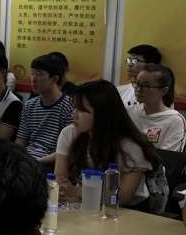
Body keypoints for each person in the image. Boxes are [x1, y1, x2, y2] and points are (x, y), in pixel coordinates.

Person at [55, 80, 159, 210]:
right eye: (75, 108)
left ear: (102, 113)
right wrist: (64, 190)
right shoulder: (70, 133)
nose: (74, 115)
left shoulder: (131, 146)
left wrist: (78, 191)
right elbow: (59, 180)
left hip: (128, 209)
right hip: (85, 203)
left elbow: (123, 198)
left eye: (81, 110)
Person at [15, 54, 73, 164]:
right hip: (27, 159)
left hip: (51, 162)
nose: (33, 79)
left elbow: (67, 150)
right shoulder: (30, 105)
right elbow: (20, 141)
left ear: (54, 79)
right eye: (32, 73)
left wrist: (36, 162)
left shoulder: (69, 106)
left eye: (39, 74)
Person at [126, 64, 186, 152]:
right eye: (137, 83)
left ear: (164, 90)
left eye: (146, 86)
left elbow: (169, 156)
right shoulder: (128, 112)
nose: (138, 89)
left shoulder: (175, 120)